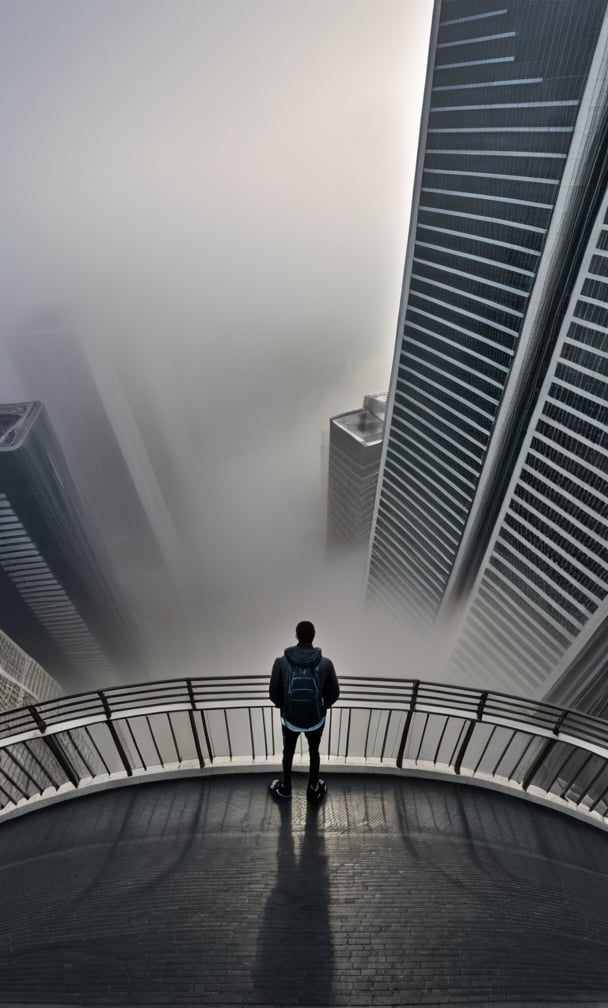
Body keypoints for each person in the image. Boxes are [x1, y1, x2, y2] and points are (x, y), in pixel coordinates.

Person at [269, 620, 339, 802]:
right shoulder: (325, 664)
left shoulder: (281, 662)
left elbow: (273, 694)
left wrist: (284, 707)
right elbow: (334, 694)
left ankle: (285, 788)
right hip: (315, 720)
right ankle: (313, 789)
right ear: (313, 636)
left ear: (296, 636)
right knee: (314, 752)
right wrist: (322, 708)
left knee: (288, 752)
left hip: (290, 720)